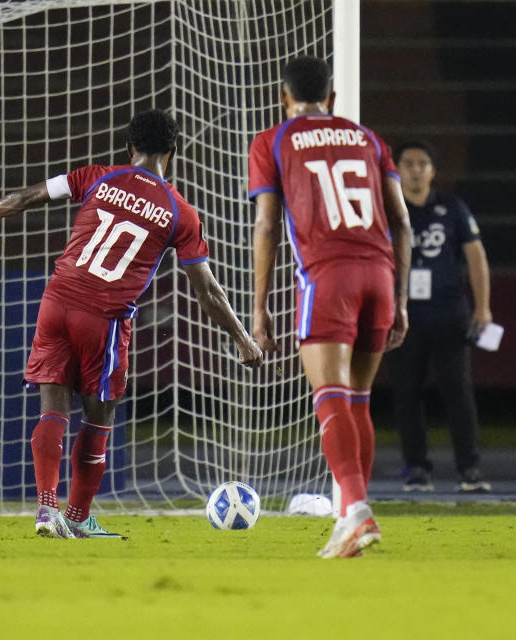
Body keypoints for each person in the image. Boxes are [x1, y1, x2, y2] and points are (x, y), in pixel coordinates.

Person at [0, 109, 263, 539]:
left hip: (56, 301)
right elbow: (206, 290)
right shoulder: (179, 211)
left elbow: (29, 194)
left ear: (130, 147)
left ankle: (46, 509)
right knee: (98, 419)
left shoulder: (98, 176)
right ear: (173, 151)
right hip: (105, 319)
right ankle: (75, 518)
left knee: (53, 407)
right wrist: (243, 339)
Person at [249, 56, 412, 558]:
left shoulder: (272, 140)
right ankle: (350, 518)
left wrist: (259, 307)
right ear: (333, 100)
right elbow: (402, 224)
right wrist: (400, 300)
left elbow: (268, 227)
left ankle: (357, 511)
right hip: (381, 275)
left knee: (329, 394)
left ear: (284, 97)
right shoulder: (368, 139)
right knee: (358, 398)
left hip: (329, 276)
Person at [389, 141, 492, 493]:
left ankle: (470, 470)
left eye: (423, 163)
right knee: (406, 394)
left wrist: (483, 307)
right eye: (408, 163)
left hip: (449, 313)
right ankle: (416, 469)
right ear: (397, 168)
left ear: (433, 170)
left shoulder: (451, 207)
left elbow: (476, 256)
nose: (416, 169)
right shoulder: (388, 207)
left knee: (459, 393)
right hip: (403, 316)